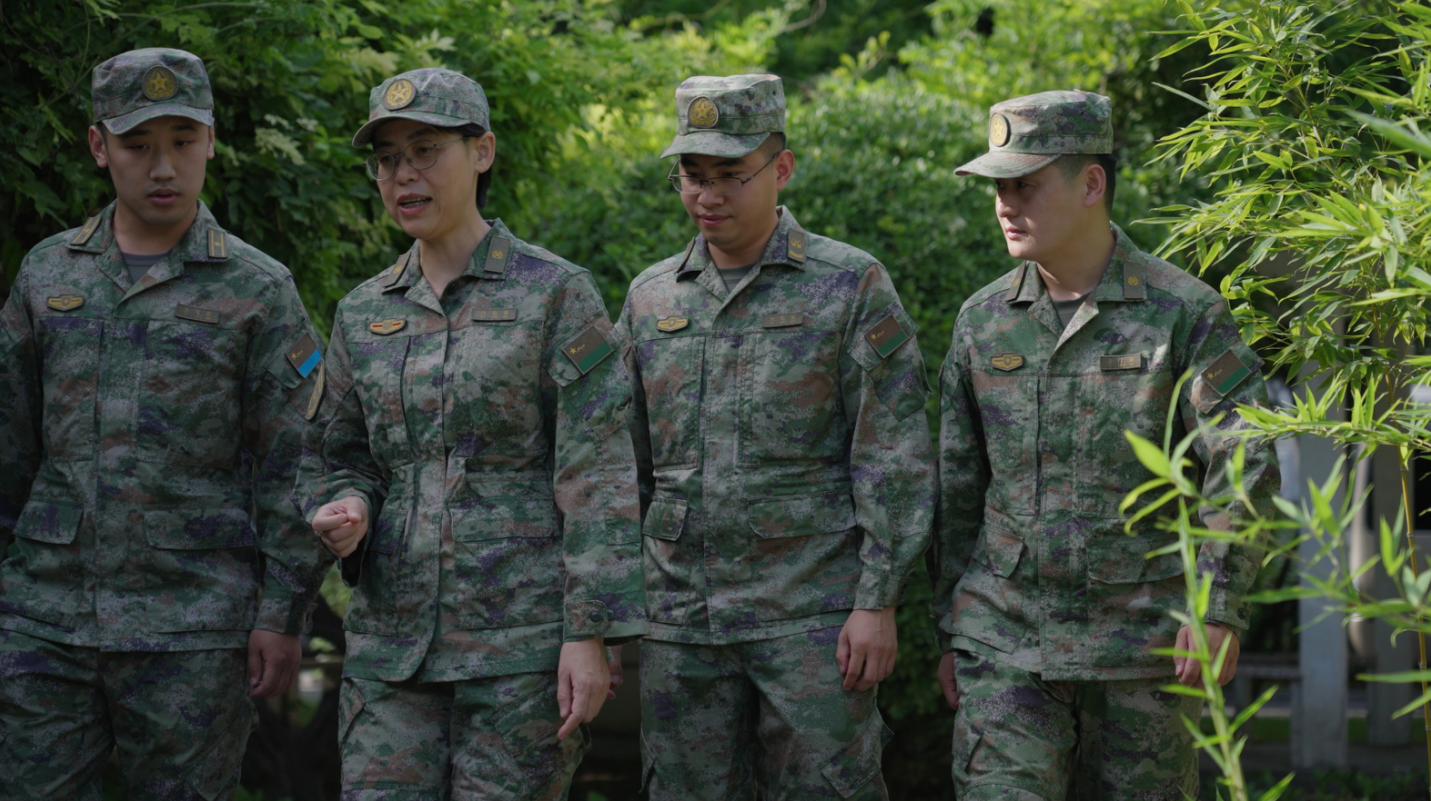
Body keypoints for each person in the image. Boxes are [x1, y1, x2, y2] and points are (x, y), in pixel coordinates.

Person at [297, 68, 644, 799]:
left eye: (425, 151)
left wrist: (588, 633)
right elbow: (337, 454)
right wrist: (346, 505)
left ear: (481, 152)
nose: (404, 175)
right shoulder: (363, 311)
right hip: (392, 650)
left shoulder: (555, 294)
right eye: (387, 159)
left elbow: (597, 473)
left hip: (519, 652)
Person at [929, 90, 1280, 799]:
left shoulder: (1183, 312)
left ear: (1091, 183)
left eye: (1024, 185)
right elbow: (956, 485)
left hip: (1146, 648)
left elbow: (1242, 459)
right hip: (1005, 640)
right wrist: (950, 629)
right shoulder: (982, 321)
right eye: (998, 187)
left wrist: (1216, 605)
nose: (1004, 204)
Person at [0, 48, 331, 798]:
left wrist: (282, 613)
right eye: (137, 143)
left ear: (211, 141)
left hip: (194, 630)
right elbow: (9, 444)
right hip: (44, 621)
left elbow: (297, 461)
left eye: (182, 140)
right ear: (98, 146)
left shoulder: (258, 289)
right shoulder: (48, 274)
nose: (162, 166)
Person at [617, 74, 935, 800]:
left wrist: (877, 599)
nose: (707, 195)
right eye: (691, 175)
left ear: (781, 167)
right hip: (681, 622)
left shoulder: (848, 285)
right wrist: (604, 612)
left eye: (730, 174)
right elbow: (616, 466)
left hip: (812, 617)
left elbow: (892, 455)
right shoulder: (650, 297)